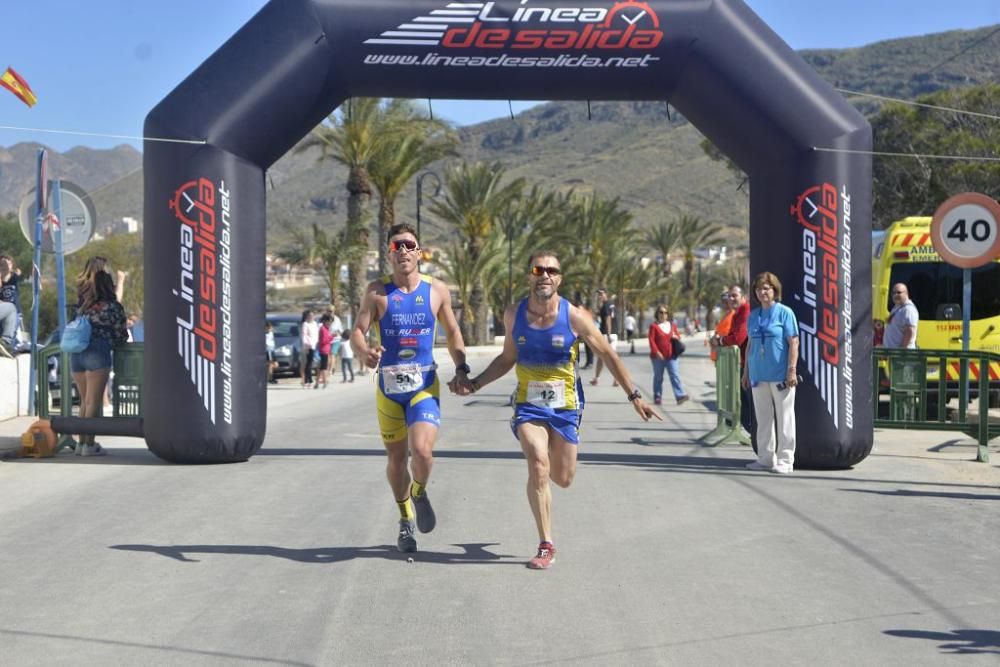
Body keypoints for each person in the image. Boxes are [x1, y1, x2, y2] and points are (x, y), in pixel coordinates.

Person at [458, 250, 660, 570]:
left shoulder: (575, 317)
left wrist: (634, 395)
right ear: (530, 276)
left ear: (559, 279)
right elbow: (508, 358)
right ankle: (546, 544)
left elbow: (608, 354)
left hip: (566, 406)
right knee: (538, 464)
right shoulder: (515, 315)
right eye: (539, 269)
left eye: (552, 271)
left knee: (563, 478)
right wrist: (476, 383)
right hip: (528, 404)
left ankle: (548, 481)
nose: (545, 275)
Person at [351, 223, 469, 554]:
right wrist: (364, 352)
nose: (402, 251)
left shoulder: (436, 291)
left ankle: (418, 490)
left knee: (423, 452)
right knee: (396, 457)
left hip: (423, 384)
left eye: (408, 245)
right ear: (389, 254)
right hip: (388, 387)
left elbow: (454, 332)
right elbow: (358, 331)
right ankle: (405, 519)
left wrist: (461, 367)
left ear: (419, 252)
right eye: (395, 246)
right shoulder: (377, 292)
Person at [741, 272, 799, 474]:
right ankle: (765, 458)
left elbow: (793, 342)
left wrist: (791, 370)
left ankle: (786, 459)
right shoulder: (754, 316)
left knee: (785, 417)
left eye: (766, 288)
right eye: (758, 289)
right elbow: (749, 345)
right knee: (763, 418)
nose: (762, 292)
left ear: (775, 290)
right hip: (758, 374)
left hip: (780, 375)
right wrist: (746, 373)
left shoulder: (785, 313)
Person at [71, 270, 128, 456]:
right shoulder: (113, 306)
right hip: (97, 352)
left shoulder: (84, 306)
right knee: (93, 402)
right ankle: (89, 445)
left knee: (83, 402)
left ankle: (80, 444)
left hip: (77, 354)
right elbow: (121, 334)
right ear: (109, 286)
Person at [715, 285, 752, 435]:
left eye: (734, 296)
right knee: (739, 401)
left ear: (743, 297)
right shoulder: (736, 314)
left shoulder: (746, 311)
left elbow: (738, 338)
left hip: (747, 365)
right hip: (739, 363)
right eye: (729, 296)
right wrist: (723, 340)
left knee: (746, 404)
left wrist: (721, 341)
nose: (731, 299)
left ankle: (755, 435)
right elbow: (731, 336)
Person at [648, 305, 689, 406]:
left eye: (665, 313)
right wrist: (656, 352)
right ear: (657, 314)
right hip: (658, 357)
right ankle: (657, 396)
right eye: (661, 312)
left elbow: (678, 336)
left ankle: (679, 396)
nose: (663, 315)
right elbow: (651, 340)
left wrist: (676, 336)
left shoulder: (672, 325)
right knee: (658, 377)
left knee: (675, 375)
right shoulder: (653, 326)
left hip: (671, 356)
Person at [589, 289, 618, 386]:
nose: (600, 296)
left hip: (607, 334)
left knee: (609, 358)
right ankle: (596, 378)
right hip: (612, 333)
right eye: (599, 294)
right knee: (602, 357)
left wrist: (608, 335)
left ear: (606, 294)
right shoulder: (610, 303)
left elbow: (608, 319)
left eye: (601, 294)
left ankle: (616, 379)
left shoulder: (606, 305)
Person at [883, 283, 918, 349]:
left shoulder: (908, 310)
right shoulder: (898, 307)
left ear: (906, 293)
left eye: (899, 292)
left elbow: (910, 331)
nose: (895, 295)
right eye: (893, 293)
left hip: (901, 356)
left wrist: (901, 351)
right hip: (893, 354)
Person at [0, 253, 21, 356]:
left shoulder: (14, 278)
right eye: (3, 264)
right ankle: (6, 345)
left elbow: (18, 274)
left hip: (15, 313)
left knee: (13, 330)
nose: (6, 266)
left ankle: (9, 347)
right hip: (4, 313)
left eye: (8, 264)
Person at [708, 292, 733, 364]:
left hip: (727, 355)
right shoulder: (724, 316)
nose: (725, 304)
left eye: (727, 302)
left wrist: (717, 339)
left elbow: (728, 333)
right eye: (723, 302)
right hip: (719, 354)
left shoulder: (733, 315)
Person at [300, 309, 318, 387]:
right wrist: (306, 345)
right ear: (307, 316)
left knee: (311, 363)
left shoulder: (315, 323)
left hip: (315, 345)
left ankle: (308, 379)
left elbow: (316, 334)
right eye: (310, 316)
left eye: (312, 315)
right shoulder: (305, 324)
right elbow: (304, 335)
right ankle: (308, 379)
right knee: (308, 363)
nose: (311, 317)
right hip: (308, 346)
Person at [316, 314, 335, 389]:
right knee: (324, 367)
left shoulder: (326, 329)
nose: (330, 324)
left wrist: (331, 336)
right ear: (324, 321)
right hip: (323, 350)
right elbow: (323, 341)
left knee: (321, 367)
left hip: (326, 350)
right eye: (329, 322)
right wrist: (331, 337)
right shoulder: (323, 329)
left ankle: (317, 383)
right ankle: (325, 381)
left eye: (331, 322)